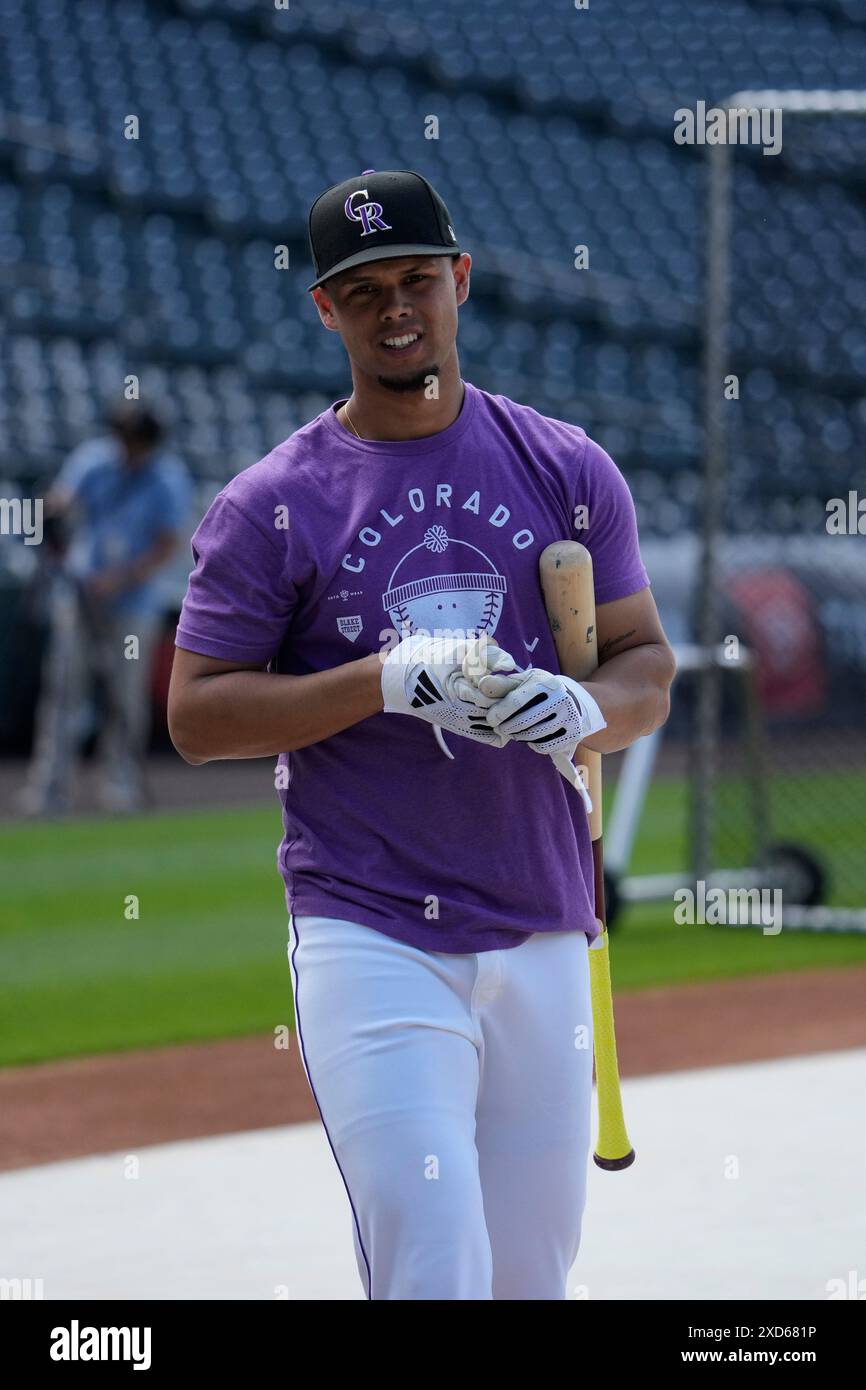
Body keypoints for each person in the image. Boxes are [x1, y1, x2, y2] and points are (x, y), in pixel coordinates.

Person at [167, 169, 676, 1300]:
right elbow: (197, 715)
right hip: (371, 928)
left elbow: (646, 662)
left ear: (457, 280)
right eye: (360, 292)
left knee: (530, 1276)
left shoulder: (565, 466)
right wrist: (378, 683)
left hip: (543, 917)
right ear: (325, 312)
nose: (394, 309)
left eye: (413, 280)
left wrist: (592, 708)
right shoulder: (271, 502)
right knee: (434, 1261)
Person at [20, 401, 191, 816]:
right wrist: (51, 510)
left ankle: (121, 787)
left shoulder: (167, 479)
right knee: (63, 690)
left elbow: (166, 547)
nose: (132, 449)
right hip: (80, 598)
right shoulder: (93, 462)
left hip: (134, 605)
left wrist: (118, 580)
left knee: (125, 696)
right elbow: (61, 501)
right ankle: (49, 790)